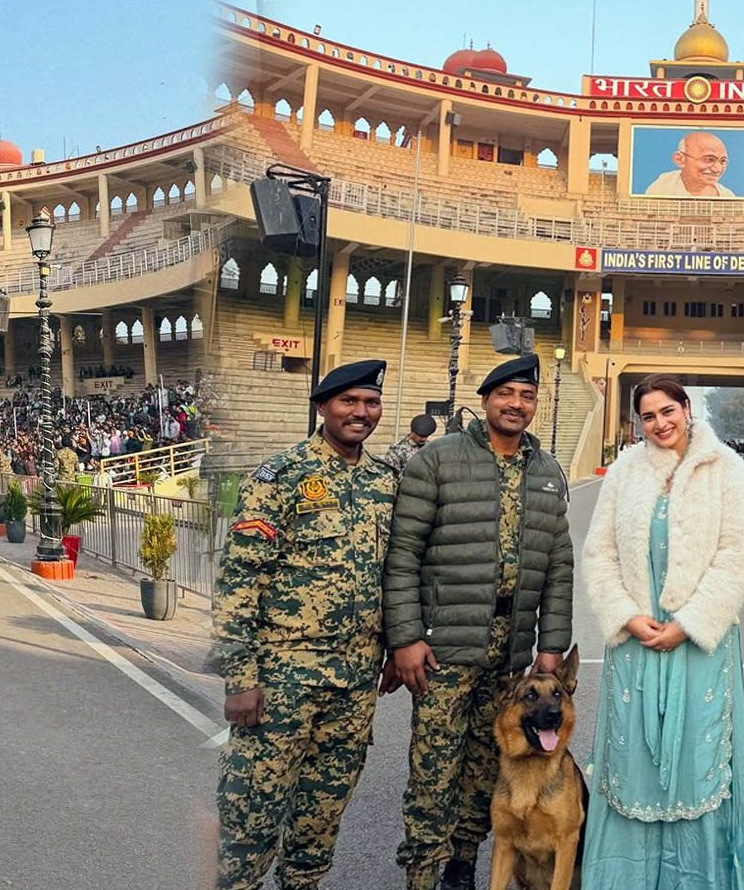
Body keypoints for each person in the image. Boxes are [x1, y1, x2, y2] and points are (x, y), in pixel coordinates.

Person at [380, 354, 574, 890]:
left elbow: (559, 567)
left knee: (488, 765)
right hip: (444, 645)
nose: (517, 404)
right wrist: (406, 637)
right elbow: (403, 555)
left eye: (527, 396)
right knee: (434, 766)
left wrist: (551, 647)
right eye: (507, 393)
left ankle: (462, 862)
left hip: (511, 654)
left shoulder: (548, 472)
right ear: (486, 399)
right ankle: (421, 870)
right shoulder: (438, 460)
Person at [212, 359, 398, 890]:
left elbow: (397, 572)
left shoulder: (386, 482)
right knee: (251, 813)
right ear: (323, 407)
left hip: (356, 678)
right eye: (349, 402)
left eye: (371, 403)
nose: (361, 413)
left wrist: (396, 643)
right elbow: (239, 580)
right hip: (282, 676)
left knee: (322, 816)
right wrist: (240, 678)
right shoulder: (280, 476)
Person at [580, 374, 744, 888]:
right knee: (632, 758)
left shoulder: (724, 468)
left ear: (687, 408)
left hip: (700, 639)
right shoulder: (624, 471)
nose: (660, 423)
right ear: (639, 423)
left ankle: (698, 877)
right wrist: (625, 615)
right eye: (649, 416)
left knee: (698, 760)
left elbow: (736, 554)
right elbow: (600, 552)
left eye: (668, 411)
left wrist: (690, 623)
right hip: (636, 638)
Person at [643, 132, 736, 198]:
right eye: (709, 159)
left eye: (723, 161)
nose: (718, 169)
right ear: (680, 159)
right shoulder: (663, 186)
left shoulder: (727, 196)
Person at [383, 413, 438, 477]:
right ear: (412, 431)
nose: (424, 439)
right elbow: (390, 475)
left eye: (426, 436)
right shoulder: (398, 449)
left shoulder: (430, 448)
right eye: (420, 436)